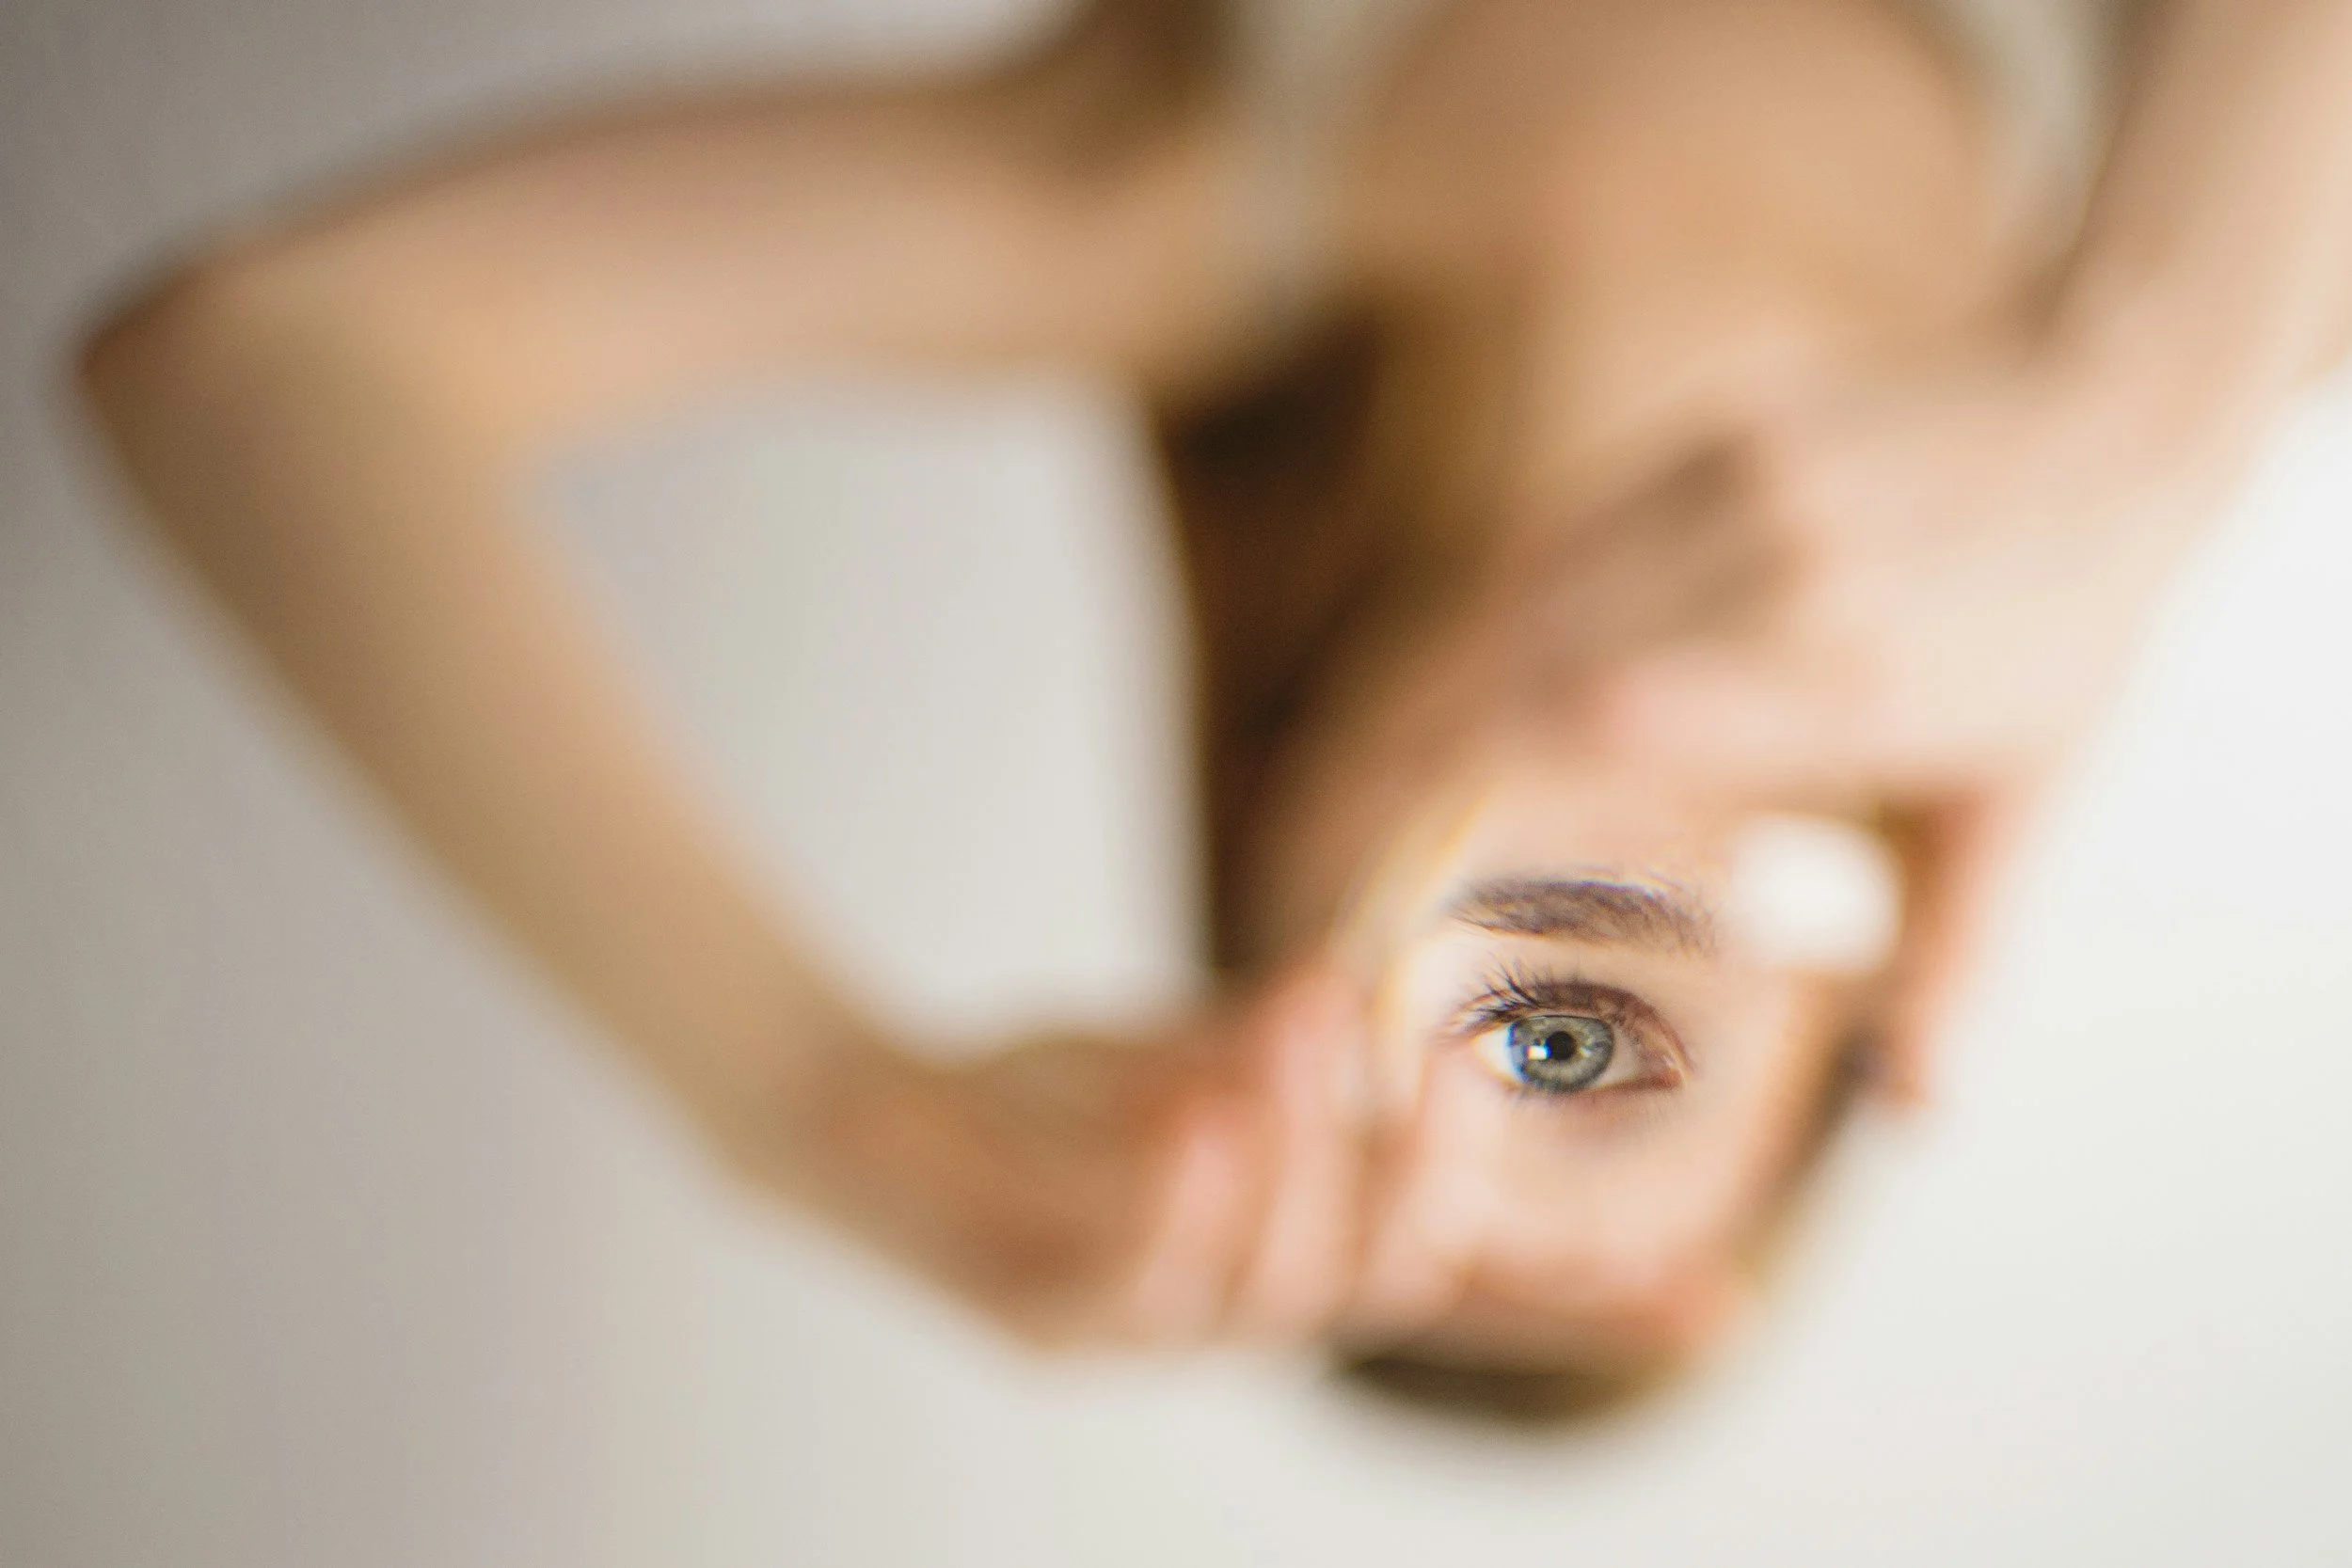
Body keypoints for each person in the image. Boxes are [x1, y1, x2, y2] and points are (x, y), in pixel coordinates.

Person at [76, 0, 2352, 1404]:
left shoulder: (1165, 170)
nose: (1452, 1087)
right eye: (1569, 1052)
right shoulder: (2224, 261)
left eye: (1354, 1112)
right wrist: (2144, 394)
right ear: (1906, 900)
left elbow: (254, 360)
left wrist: (813, 1100)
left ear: (1283, 802)